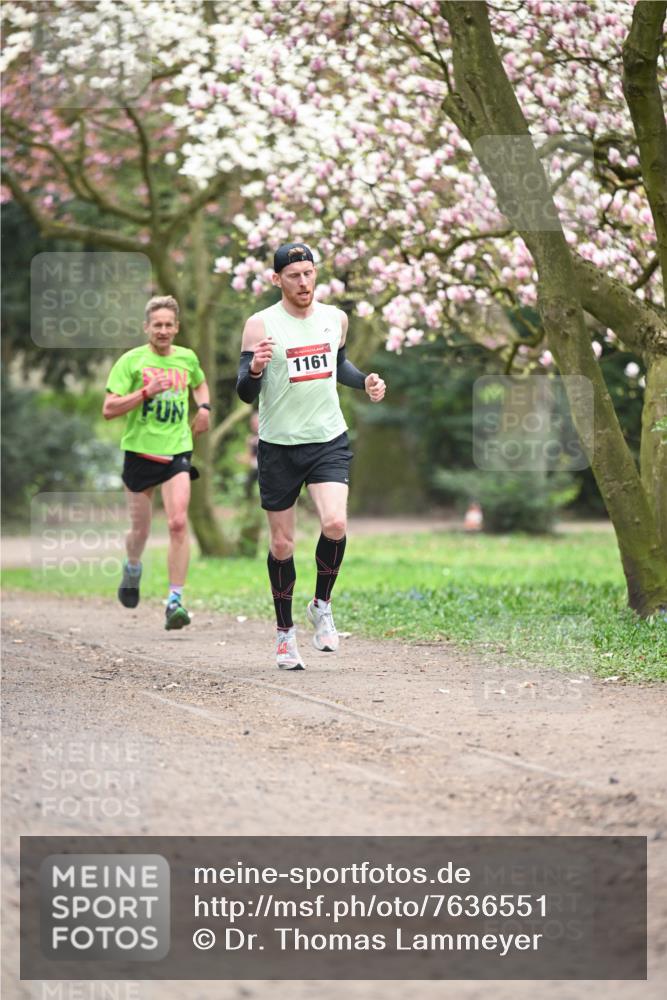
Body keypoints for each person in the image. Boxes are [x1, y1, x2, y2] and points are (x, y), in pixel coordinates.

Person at [236, 242, 386, 669]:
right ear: (277, 279)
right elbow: (245, 391)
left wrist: (365, 381)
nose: (303, 282)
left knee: (335, 523)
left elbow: (339, 365)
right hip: (279, 446)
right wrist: (256, 368)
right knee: (282, 544)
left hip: (327, 438)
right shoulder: (260, 324)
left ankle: (321, 604)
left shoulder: (335, 318)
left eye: (308, 273)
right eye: (294, 276)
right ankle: (285, 634)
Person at [103, 295, 211, 630]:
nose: (162, 330)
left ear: (176, 328)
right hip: (139, 452)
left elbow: (200, 383)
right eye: (157, 325)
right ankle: (133, 566)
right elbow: (109, 409)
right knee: (141, 530)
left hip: (177, 451)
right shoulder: (131, 361)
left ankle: (175, 601)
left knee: (178, 523)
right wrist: (145, 392)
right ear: (146, 328)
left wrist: (204, 408)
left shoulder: (187, 358)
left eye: (168, 325)